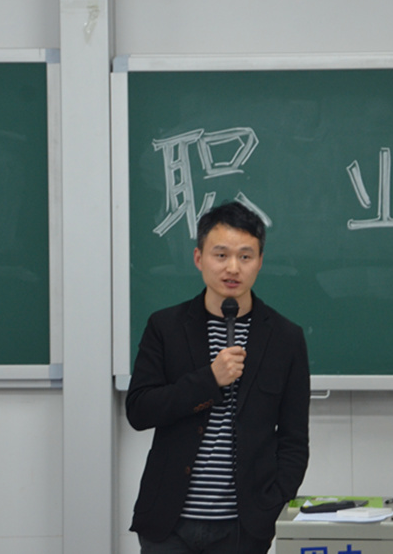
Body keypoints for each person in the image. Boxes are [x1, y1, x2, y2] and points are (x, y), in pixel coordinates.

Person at [126, 201, 311, 554]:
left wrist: (272, 506)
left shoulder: (285, 338)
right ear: (199, 258)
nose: (233, 268)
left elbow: (294, 440)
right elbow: (139, 410)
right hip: (168, 525)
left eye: (245, 256)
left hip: (243, 529)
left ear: (260, 261)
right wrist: (209, 380)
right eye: (221, 255)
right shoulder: (165, 327)